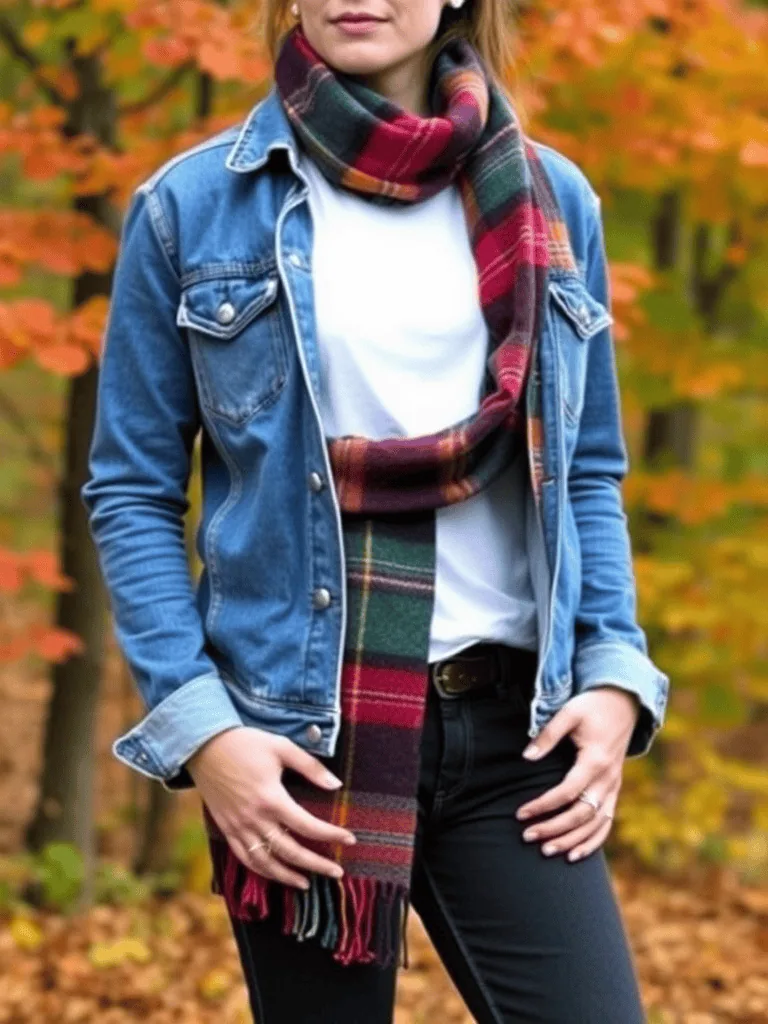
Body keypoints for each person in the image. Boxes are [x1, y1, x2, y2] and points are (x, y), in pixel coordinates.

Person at [81, 1, 671, 1020]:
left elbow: (585, 471)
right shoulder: (191, 207)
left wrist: (616, 669)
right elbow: (132, 491)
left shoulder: (552, 199)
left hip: (514, 732)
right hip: (302, 738)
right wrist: (203, 730)